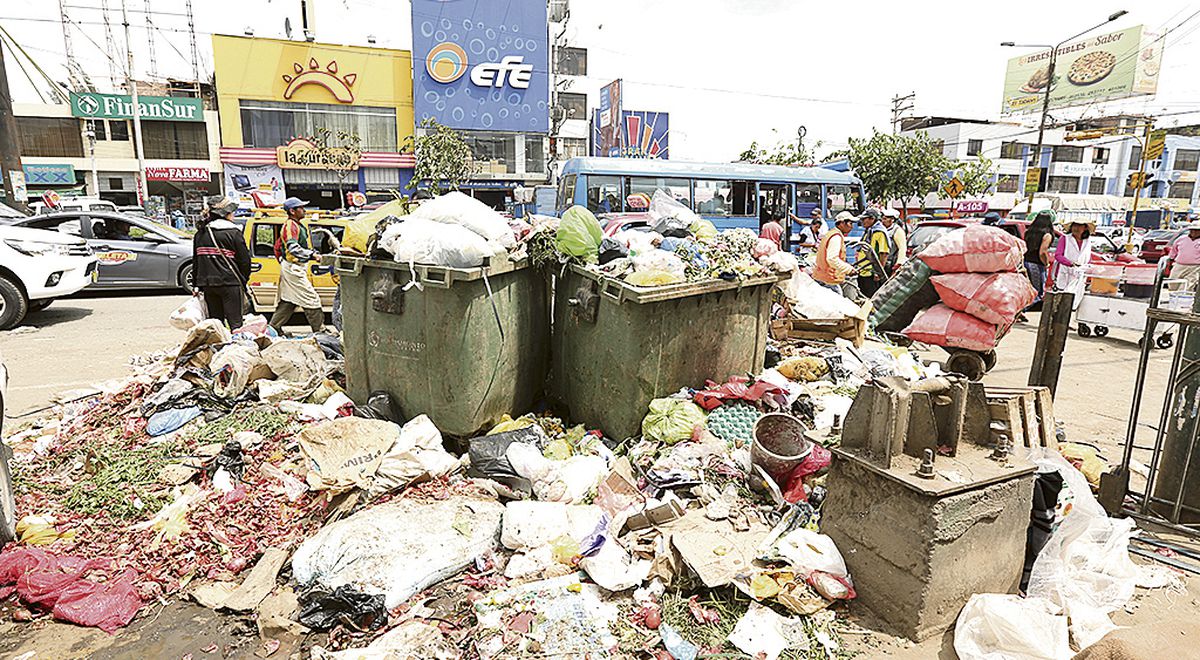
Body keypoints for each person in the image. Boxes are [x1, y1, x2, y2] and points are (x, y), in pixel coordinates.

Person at [192, 195, 251, 331]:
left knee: (216, 324)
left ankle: (218, 349)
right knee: (235, 323)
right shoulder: (233, 232)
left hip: (208, 285)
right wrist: (243, 280)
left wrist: (196, 285)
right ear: (226, 213)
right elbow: (245, 261)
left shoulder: (200, 233)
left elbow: (196, 261)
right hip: (230, 283)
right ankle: (236, 349)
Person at [269, 197, 326, 335]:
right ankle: (320, 332)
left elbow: (280, 247)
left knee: (289, 300)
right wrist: (313, 255)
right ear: (292, 211)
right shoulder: (290, 226)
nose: (304, 210)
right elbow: (293, 248)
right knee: (311, 299)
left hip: (293, 267)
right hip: (293, 268)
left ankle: (273, 328)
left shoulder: (296, 225)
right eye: (301, 208)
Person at [812, 211, 858, 297]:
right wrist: (848, 269)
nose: (851, 226)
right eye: (850, 223)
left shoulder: (831, 234)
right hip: (829, 280)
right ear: (842, 223)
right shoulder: (836, 237)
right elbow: (832, 259)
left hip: (822, 276)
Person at [1050, 218, 1093, 307]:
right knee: (1063, 301)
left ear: (1085, 228)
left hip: (1080, 275)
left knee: (1076, 301)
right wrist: (1070, 263)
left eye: (1079, 226)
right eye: (1074, 225)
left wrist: (1088, 267)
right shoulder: (1065, 238)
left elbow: (1088, 258)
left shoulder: (1087, 241)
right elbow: (1058, 255)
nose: (1076, 228)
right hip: (1065, 273)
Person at [856, 208, 890, 297]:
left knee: (871, 298)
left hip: (872, 273)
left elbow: (884, 253)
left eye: (864, 219)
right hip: (863, 271)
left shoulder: (879, 233)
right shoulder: (868, 231)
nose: (862, 221)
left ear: (872, 219)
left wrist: (878, 272)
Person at [1024, 210, 1055, 305]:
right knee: (1037, 292)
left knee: (1027, 290)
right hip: (1036, 265)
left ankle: (1020, 311)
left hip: (1026, 262)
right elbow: (1042, 252)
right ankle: (1021, 311)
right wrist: (1046, 263)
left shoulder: (1028, 232)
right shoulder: (1047, 235)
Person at [1167, 221, 1200, 289]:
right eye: (1192, 230)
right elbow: (1174, 250)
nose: (1194, 232)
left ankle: (1182, 298)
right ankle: (1174, 297)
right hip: (1179, 265)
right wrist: (1170, 259)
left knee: (1187, 286)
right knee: (1172, 283)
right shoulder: (1181, 239)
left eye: (1196, 230)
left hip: (1195, 267)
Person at [880, 208, 907, 272]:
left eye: (885, 219)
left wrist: (899, 264)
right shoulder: (883, 229)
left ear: (892, 220)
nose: (882, 221)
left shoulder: (897, 231)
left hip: (891, 264)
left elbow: (902, 248)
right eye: (882, 218)